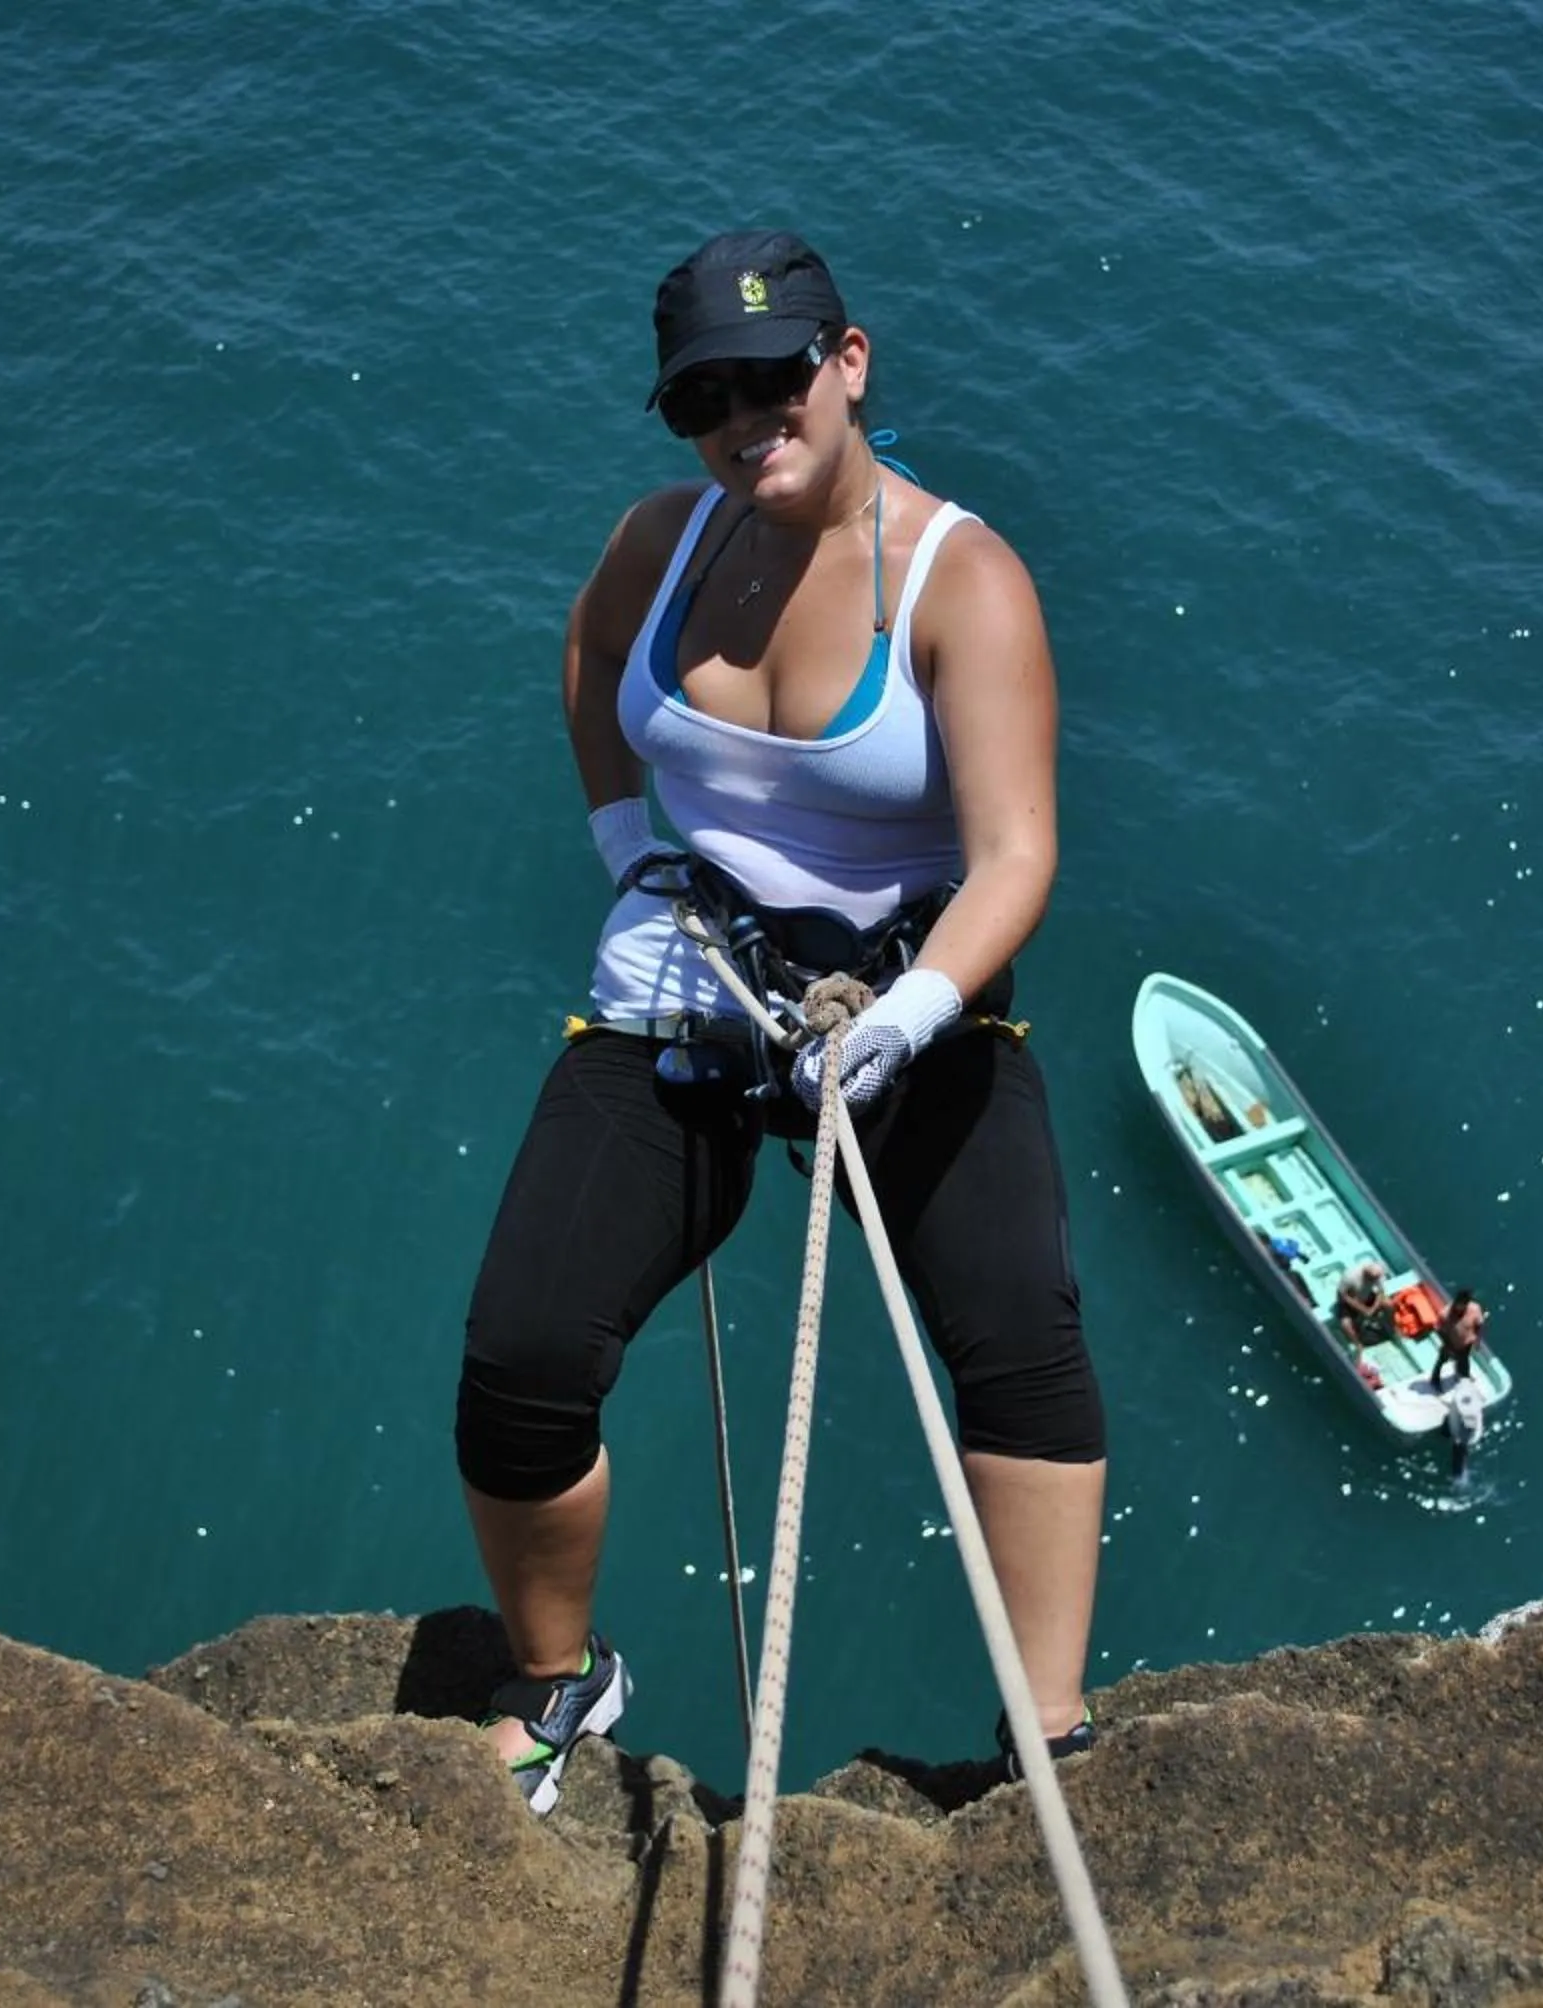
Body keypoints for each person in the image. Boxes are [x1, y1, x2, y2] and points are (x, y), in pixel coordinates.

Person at [451, 230, 1106, 1814]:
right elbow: (592, 654)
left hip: (903, 999)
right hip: (689, 983)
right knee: (523, 1359)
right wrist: (627, 845)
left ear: (850, 360)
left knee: (1019, 1347)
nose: (750, 418)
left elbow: (1016, 856)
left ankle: (1052, 1738)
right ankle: (557, 1688)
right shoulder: (664, 541)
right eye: (706, 398)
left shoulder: (965, 580)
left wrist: (920, 1011)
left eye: (778, 374)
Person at [1428, 1289, 1489, 1482]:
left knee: (1464, 1365)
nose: (1459, 1308)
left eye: (1462, 1305)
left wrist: (1478, 1340)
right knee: (1441, 1360)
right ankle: (1435, 1377)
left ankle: (1463, 1377)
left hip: (1465, 1345)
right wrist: (1449, 1344)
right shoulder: (1446, 1314)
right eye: (1457, 1305)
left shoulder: (1474, 1309)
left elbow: (1479, 1325)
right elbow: (1439, 1329)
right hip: (1450, 1343)